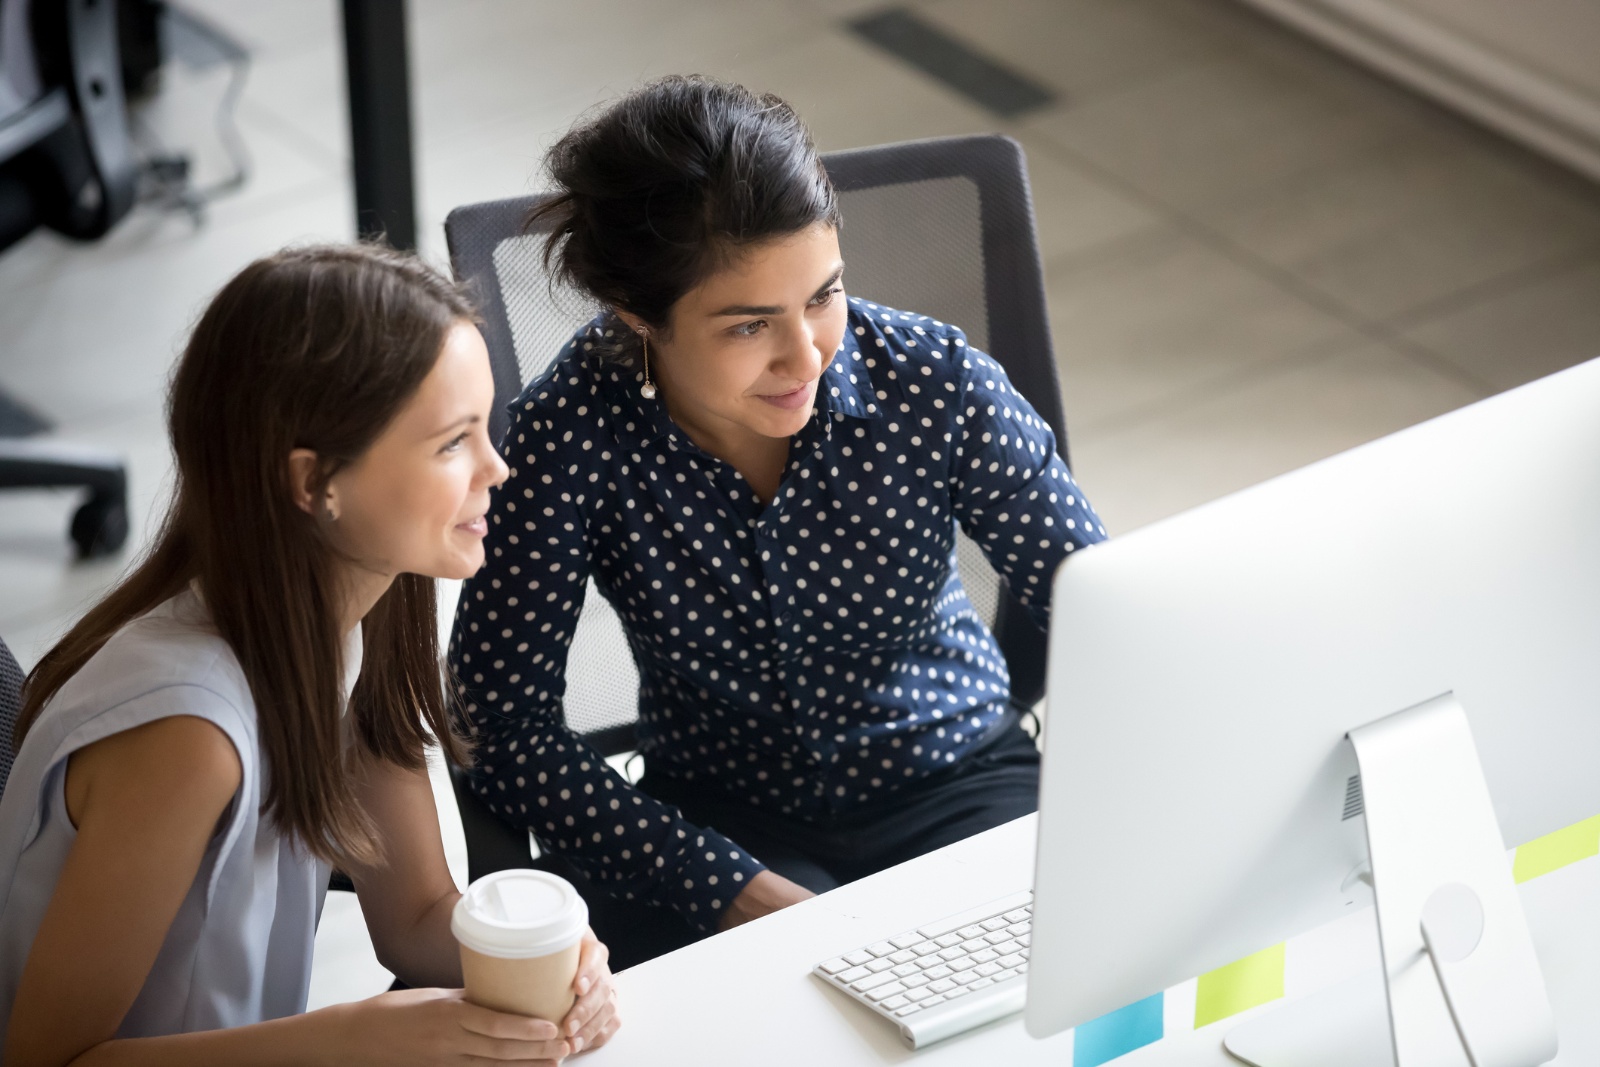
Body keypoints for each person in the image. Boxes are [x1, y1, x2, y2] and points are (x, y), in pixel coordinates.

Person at [449, 76, 1107, 967]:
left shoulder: (935, 382)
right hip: (720, 820)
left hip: (957, 778)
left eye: (823, 296)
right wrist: (716, 880)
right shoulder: (571, 432)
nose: (806, 356)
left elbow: (1105, 613)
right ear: (636, 314)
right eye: (749, 325)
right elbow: (501, 722)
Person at [0, 245, 620, 1066]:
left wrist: (559, 963)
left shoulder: (361, 614)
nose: (497, 468)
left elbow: (417, 917)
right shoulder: (188, 735)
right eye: (451, 443)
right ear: (314, 482)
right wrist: (353, 1037)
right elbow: (46, 1059)